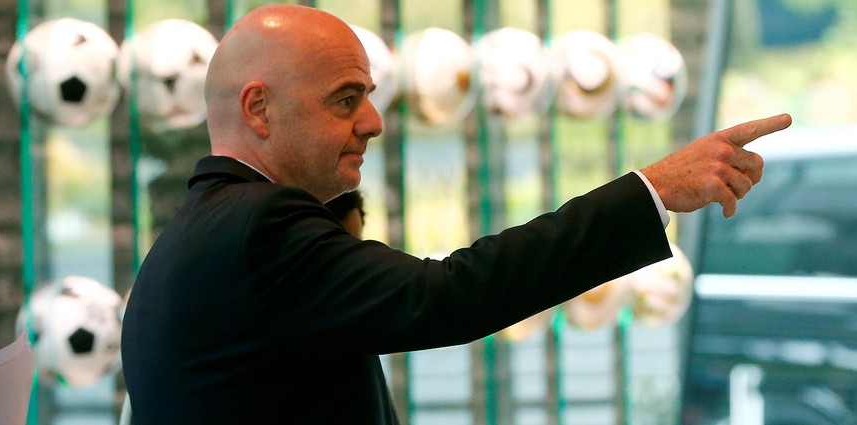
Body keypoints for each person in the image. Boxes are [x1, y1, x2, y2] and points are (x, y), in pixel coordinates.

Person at [120, 4, 792, 424]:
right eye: (344, 98)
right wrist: (651, 189)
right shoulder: (259, 229)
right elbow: (446, 295)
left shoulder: (198, 234)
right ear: (258, 108)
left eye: (369, 95)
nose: (374, 122)